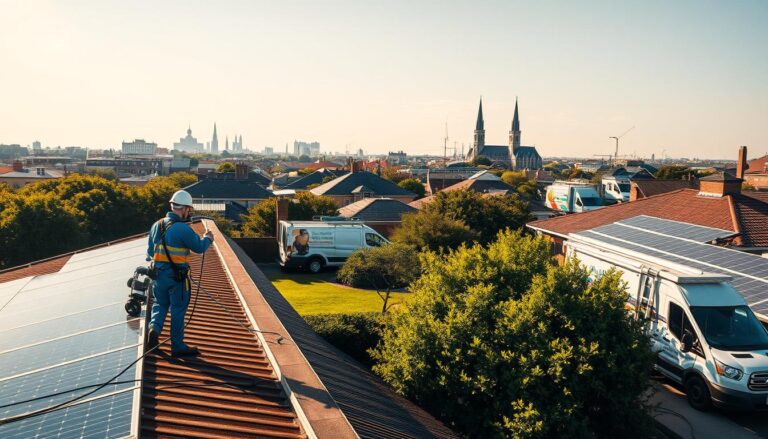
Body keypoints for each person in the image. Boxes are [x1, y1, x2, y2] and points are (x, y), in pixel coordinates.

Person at [145, 190, 213, 357]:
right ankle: (177, 346)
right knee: (177, 309)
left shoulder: (157, 225)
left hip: (158, 276)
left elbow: (149, 252)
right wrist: (208, 238)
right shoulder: (183, 229)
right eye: (189, 210)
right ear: (184, 209)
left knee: (160, 305)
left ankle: (154, 329)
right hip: (177, 278)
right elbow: (199, 247)